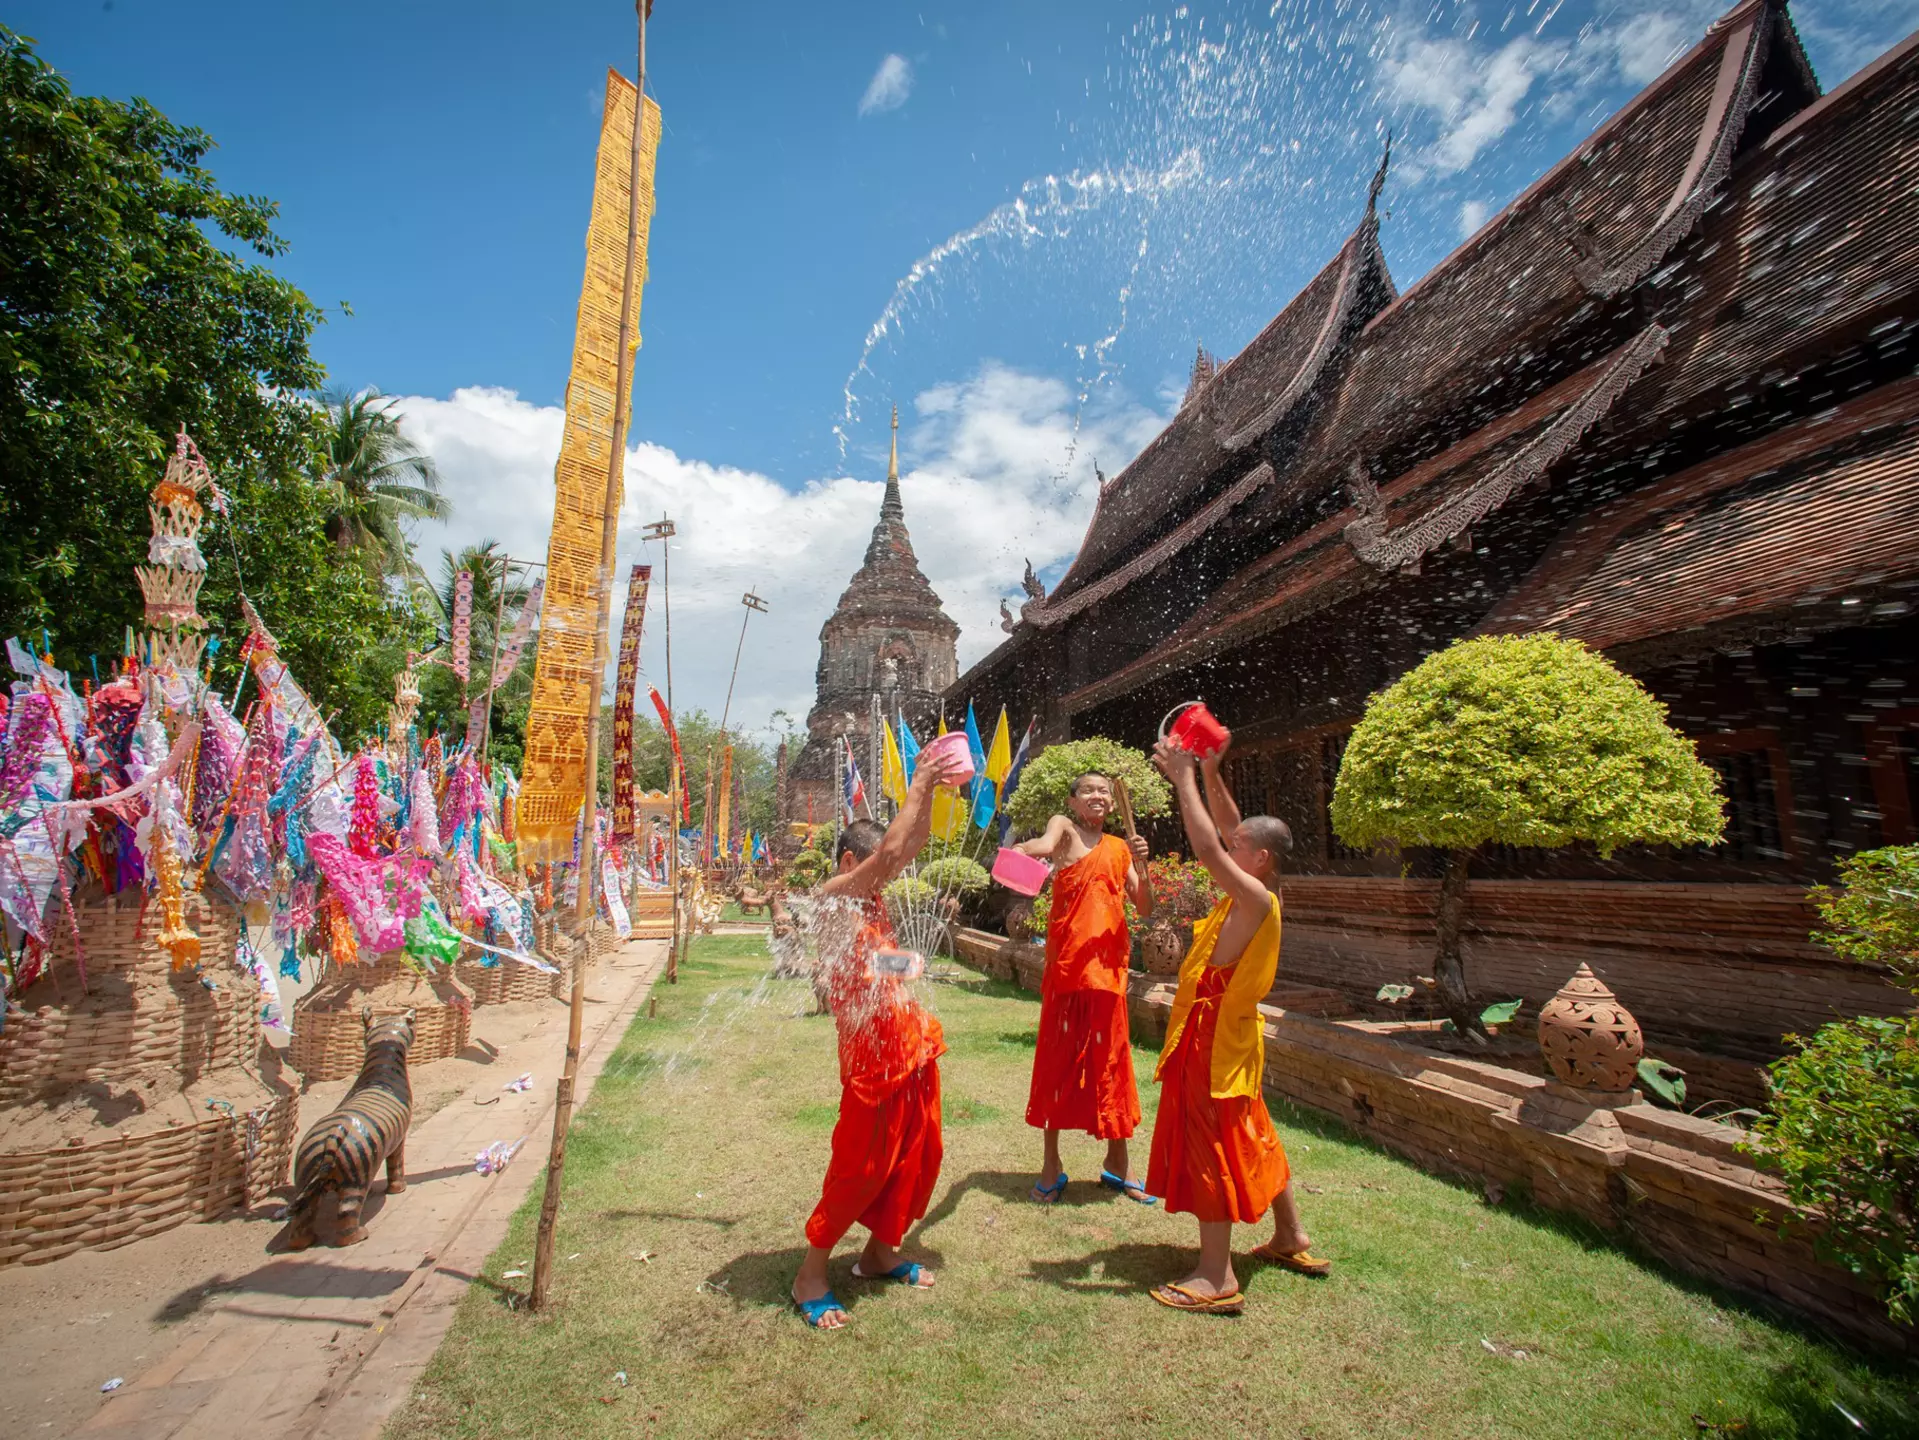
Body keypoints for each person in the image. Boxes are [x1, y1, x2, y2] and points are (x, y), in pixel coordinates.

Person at [1144, 730, 1331, 1315]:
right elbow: (1228, 830)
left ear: (1259, 859)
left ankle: (1215, 1274)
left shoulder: (1254, 899)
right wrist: (1210, 772)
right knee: (1251, 1129)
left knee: (1211, 1140)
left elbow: (1207, 848)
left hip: (1214, 1040)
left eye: (1239, 844)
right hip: (1233, 1035)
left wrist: (1181, 780)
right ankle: (1291, 1235)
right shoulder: (1261, 890)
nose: (1230, 843)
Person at [790, 745, 970, 1330]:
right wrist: (918, 783)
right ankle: (810, 1274)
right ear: (850, 860)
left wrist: (938, 798)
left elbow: (905, 848)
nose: (890, 875)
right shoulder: (834, 897)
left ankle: (880, 1253)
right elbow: (892, 851)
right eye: (878, 869)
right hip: (872, 1060)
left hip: (912, 1047)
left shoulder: (872, 903)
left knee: (919, 1155)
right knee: (861, 1166)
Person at [1014, 772, 1154, 1203]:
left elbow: (1145, 908)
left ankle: (1118, 1164)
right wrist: (1023, 851)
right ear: (1073, 802)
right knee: (1058, 1066)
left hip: (1108, 973)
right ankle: (1051, 1166)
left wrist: (1144, 866)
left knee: (1111, 1064)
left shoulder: (1119, 849)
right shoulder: (1065, 828)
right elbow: (1041, 844)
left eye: (1104, 792)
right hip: (1068, 970)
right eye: (1089, 791)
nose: (1098, 796)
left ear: (1112, 804)